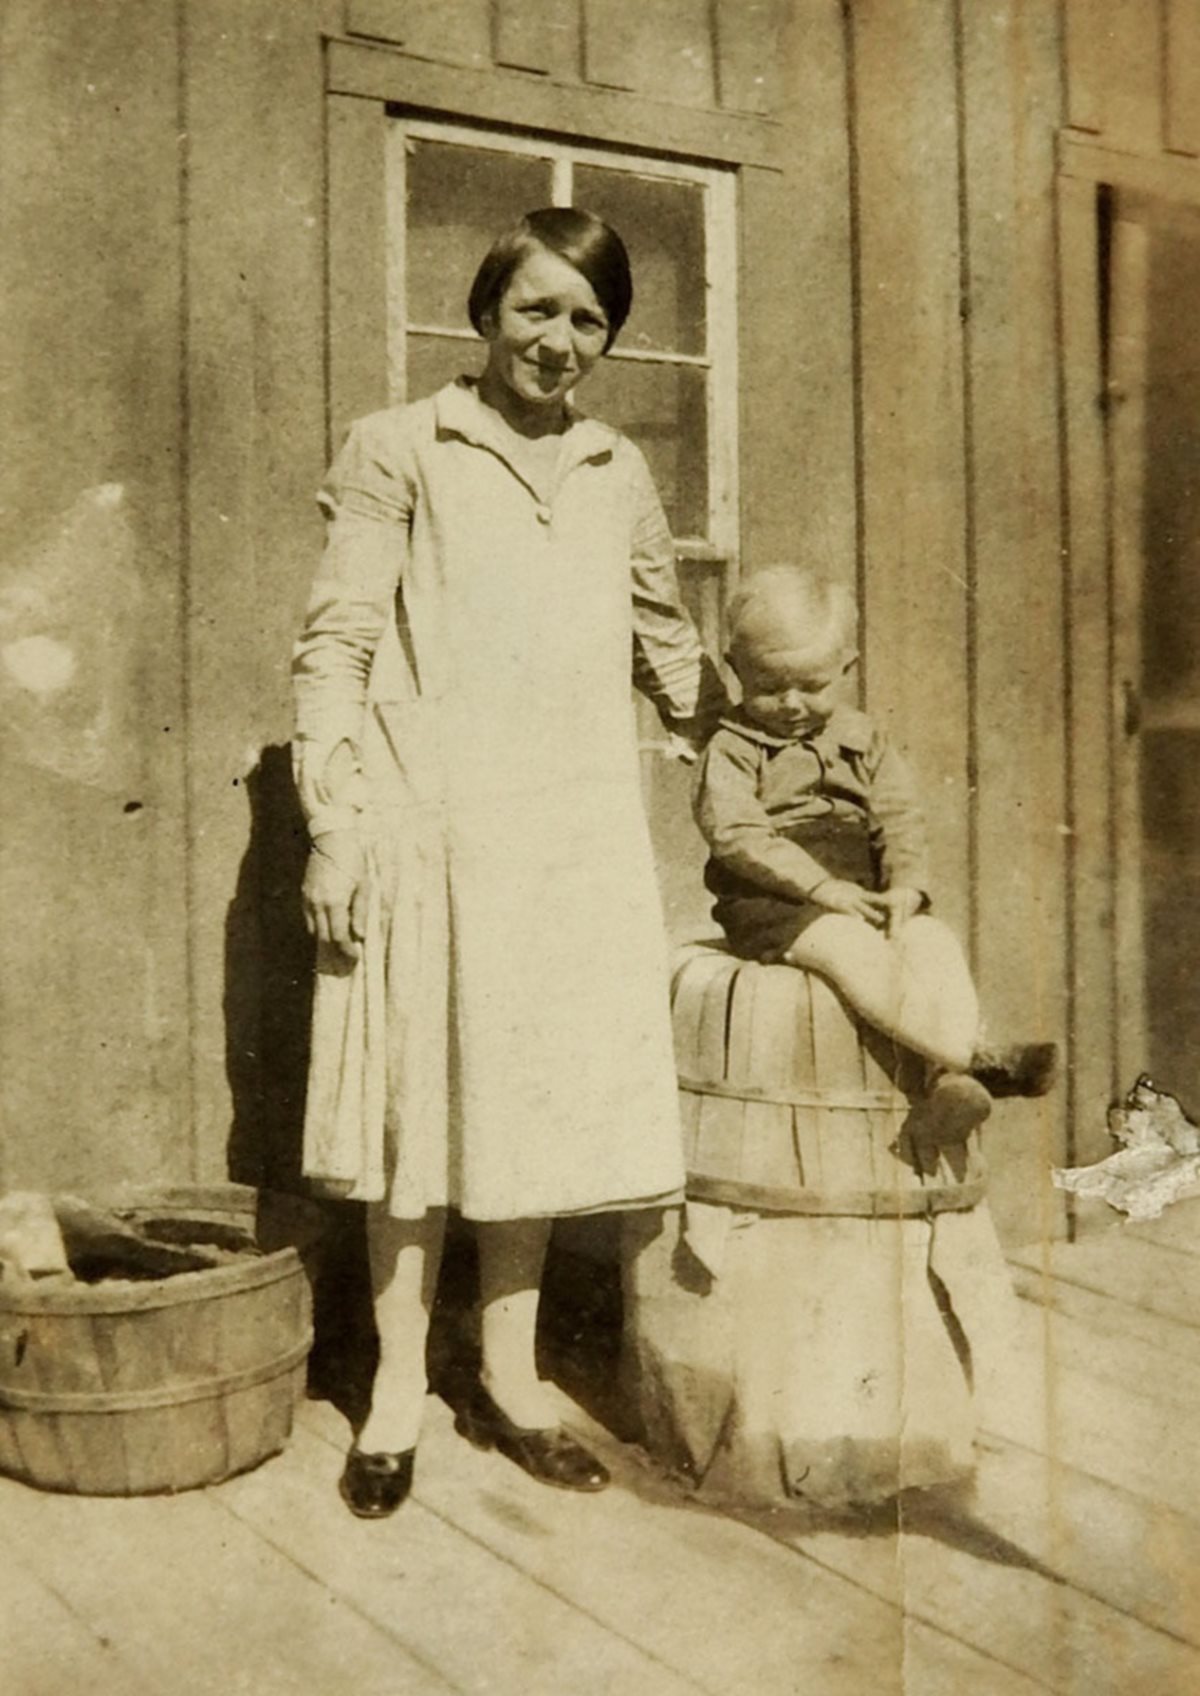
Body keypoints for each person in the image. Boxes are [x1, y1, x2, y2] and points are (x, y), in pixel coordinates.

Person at [292, 208, 725, 1518]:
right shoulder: (402, 446)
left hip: (574, 832)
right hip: (433, 820)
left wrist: (762, 727)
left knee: (527, 1110)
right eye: (536, 310)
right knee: (424, 1113)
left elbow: (665, 642)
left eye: (588, 320)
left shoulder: (614, 467)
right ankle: (396, 1393)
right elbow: (340, 641)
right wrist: (332, 816)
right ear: (485, 313)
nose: (560, 341)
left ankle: (514, 1377)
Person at [693, 566, 1057, 1142]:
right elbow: (738, 834)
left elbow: (898, 816)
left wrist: (905, 886)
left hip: (862, 888)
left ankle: (947, 1079)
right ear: (736, 669)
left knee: (931, 940)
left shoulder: (864, 738)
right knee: (854, 953)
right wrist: (820, 889)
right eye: (768, 686)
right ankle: (979, 1057)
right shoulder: (733, 749)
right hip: (774, 902)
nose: (790, 704)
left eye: (811, 687)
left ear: (846, 669)